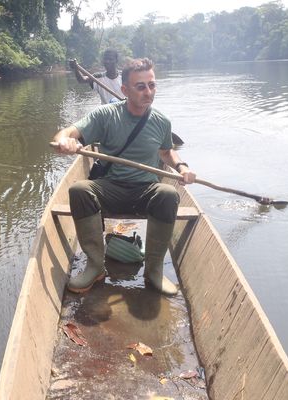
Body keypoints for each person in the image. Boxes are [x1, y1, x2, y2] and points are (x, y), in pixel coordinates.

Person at [53, 58, 196, 296]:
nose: (148, 92)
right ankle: (95, 266)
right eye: (140, 86)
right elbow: (69, 131)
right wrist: (64, 140)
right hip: (111, 188)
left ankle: (154, 271)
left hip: (145, 191)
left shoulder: (161, 121)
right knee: (79, 190)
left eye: (152, 85)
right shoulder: (106, 115)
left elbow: (166, 151)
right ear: (125, 90)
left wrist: (182, 167)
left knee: (169, 194)